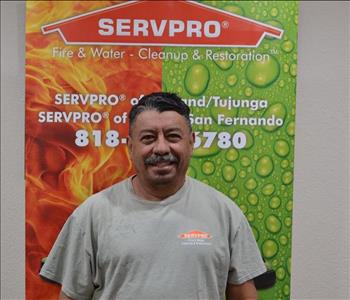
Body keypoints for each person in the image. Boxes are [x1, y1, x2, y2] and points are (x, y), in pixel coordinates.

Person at [40, 92, 266, 300]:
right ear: (130, 147)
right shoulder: (93, 213)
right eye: (148, 138)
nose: (161, 148)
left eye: (173, 136)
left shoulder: (224, 212)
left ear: (191, 142)